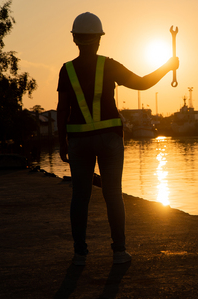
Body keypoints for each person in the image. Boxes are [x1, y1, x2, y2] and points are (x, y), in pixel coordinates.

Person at [57, 12, 179, 266]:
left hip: (79, 141)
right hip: (109, 140)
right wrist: (168, 67)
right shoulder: (108, 65)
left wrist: (62, 142)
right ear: (99, 40)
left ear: (75, 40)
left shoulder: (66, 70)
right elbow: (143, 83)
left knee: (80, 197)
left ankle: (80, 255)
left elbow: (62, 109)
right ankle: (119, 252)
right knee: (113, 194)